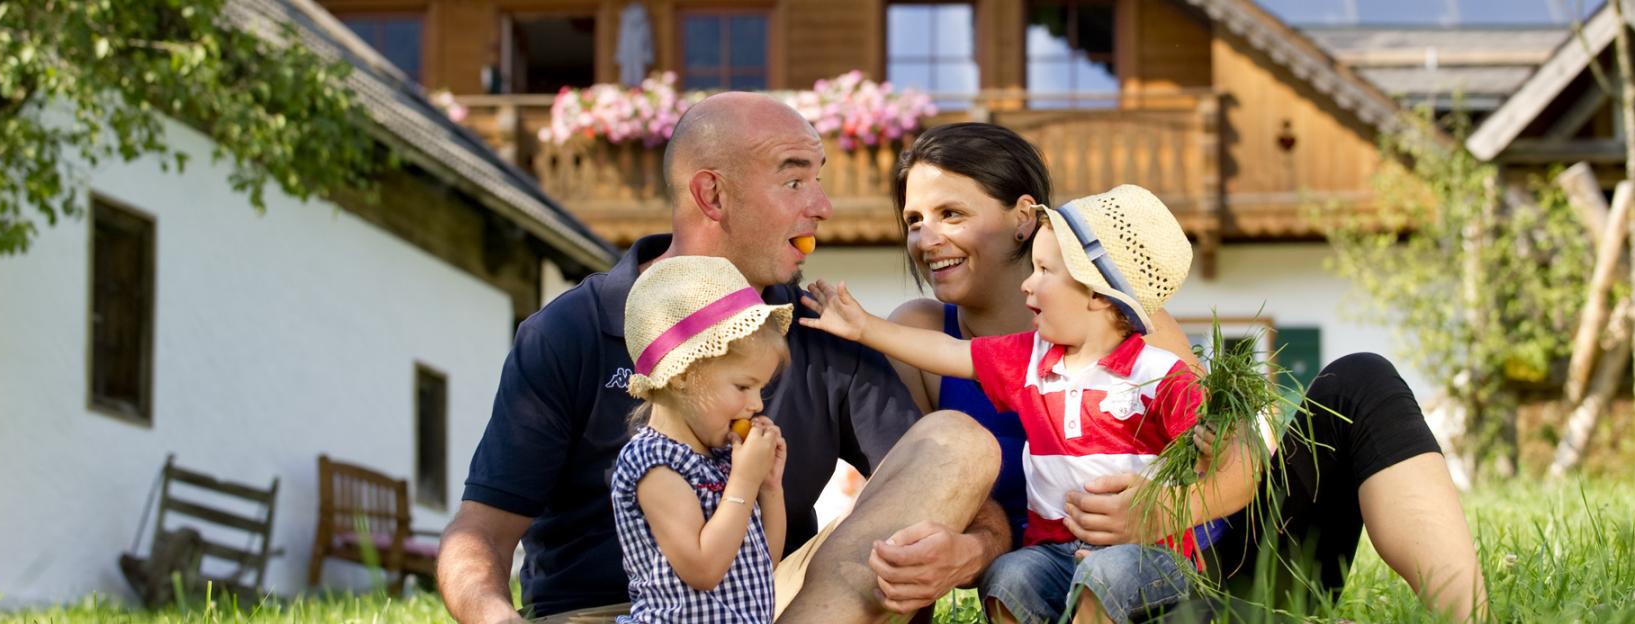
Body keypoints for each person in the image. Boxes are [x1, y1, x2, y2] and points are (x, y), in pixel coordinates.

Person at [437, 93, 1008, 624]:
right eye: (793, 181)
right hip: (607, 612)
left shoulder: (819, 325)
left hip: (767, 606)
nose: (823, 206)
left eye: (819, 181)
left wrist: (968, 549)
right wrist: (495, 616)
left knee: (956, 439)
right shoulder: (570, 329)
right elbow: (480, 530)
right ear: (712, 195)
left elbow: (971, 502)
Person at [885, 123, 1488, 621]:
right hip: (1049, 590)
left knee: (1362, 377)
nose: (926, 237)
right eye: (914, 220)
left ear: (1023, 218)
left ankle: (1470, 615)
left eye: (951, 213)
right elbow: (918, 501)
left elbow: (1238, 460)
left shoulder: (1127, 316)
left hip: (1200, 580)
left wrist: (1160, 508)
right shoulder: (920, 336)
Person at [804, 184, 1209, 624]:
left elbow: (1217, 449)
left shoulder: (1158, 372)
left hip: (1146, 555)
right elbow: (947, 352)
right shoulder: (1030, 359)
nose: (1027, 283)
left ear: (1097, 294)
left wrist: (1192, 473)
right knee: (1008, 575)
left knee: (1106, 573)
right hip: (1054, 552)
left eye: (1044, 271)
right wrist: (865, 327)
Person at [610, 256, 791, 622]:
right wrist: (743, 481)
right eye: (743, 386)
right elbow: (705, 570)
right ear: (682, 375)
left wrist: (770, 488)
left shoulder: (722, 458)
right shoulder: (656, 463)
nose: (756, 404)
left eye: (761, 389)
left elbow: (759, 566)